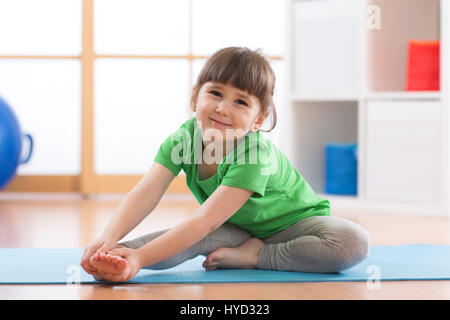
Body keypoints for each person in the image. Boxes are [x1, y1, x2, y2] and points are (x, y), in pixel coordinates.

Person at [80, 47, 370, 282]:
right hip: (234, 228)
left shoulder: (254, 154)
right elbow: (147, 192)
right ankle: (119, 258)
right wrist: (109, 240)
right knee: (191, 237)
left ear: (258, 120)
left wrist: (143, 260)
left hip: (297, 227)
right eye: (216, 94)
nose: (222, 108)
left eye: (240, 102)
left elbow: (203, 222)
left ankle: (256, 256)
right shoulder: (184, 139)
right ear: (195, 97)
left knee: (353, 241)